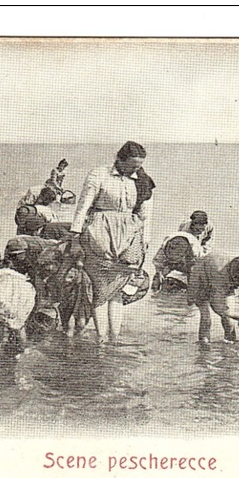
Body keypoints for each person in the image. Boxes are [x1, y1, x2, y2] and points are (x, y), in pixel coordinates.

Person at [70, 141, 155, 343]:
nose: (137, 169)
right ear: (120, 159)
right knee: (100, 290)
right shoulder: (99, 174)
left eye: (139, 165)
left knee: (118, 289)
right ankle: (101, 338)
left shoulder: (142, 180)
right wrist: (75, 236)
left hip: (128, 238)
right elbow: (83, 206)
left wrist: (145, 240)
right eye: (133, 165)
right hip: (100, 235)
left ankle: (114, 339)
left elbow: (146, 215)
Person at [187, 248, 239, 344]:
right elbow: (220, 309)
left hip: (222, 273)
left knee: (229, 319)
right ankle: (204, 345)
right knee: (206, 317)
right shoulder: (219, 276)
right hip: (200, 278)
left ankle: (230, 341)